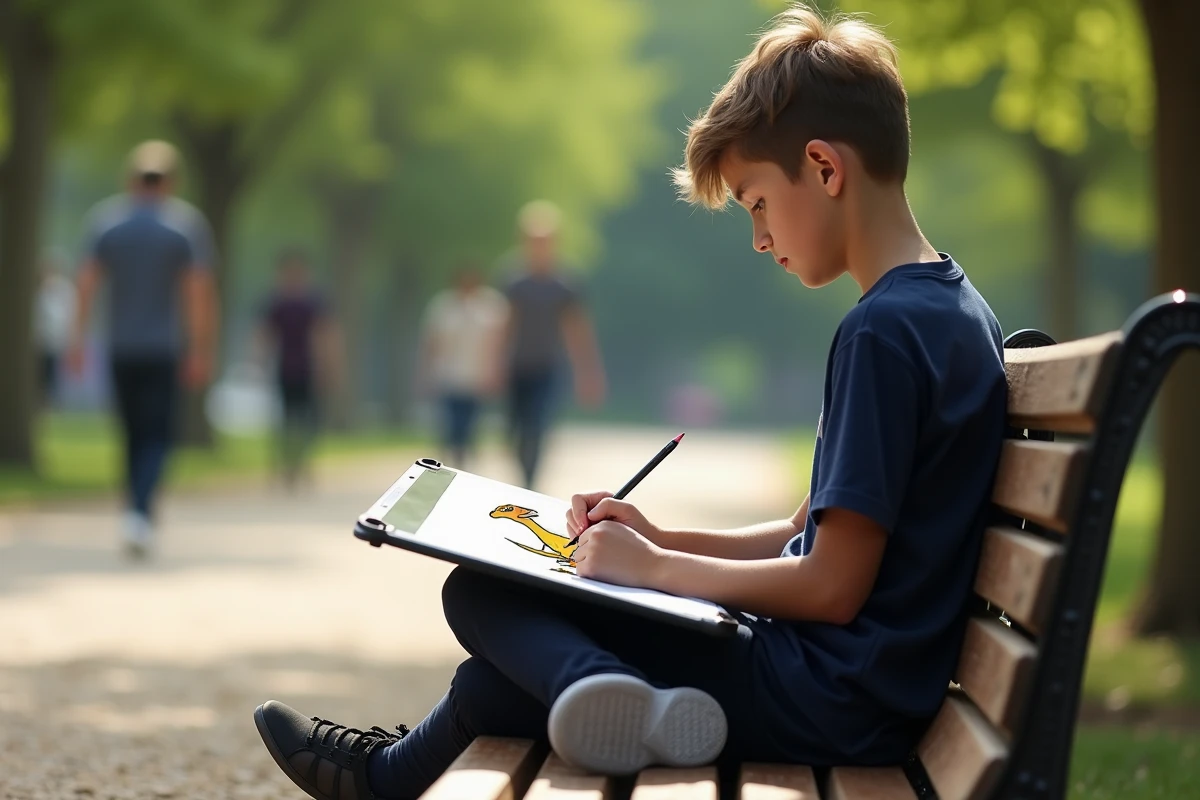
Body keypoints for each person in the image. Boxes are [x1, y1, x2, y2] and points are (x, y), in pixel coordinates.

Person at [251, 6, 1008, 798]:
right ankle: (403, 772)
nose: (758, 238)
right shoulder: (949, 310)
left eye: (755, 202)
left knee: (481, 591)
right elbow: (803, 531)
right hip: (849, 683)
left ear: (823, 167)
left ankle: (586, 685)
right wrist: (657, 535)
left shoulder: (883, 332)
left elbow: (830, 583)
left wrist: (659, 571)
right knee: (495, 687)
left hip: (827, 697)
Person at [68, 140, 218, 558]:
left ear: (130, 178)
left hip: (121, 346)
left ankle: (135, 510)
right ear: (171, 182)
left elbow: (86, 285)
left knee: (131, 432)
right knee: (157, 434)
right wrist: (200, 348)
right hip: (163, 349)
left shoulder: (107, 223)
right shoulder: (184, 227)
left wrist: (76, 339)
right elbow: (197, 293)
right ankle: (139, 510)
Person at [497, 200, 606, 488]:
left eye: (545, 240)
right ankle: (523, 469)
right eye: (534, 240)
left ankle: (529, 482)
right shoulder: (513, 280)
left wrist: (588, 373)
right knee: (514, 431)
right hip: (516, 367)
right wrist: (493, 365)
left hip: (547, 368)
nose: (539, 246)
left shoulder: (566, 284)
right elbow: (504, 325)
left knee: (538, 426)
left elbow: (577, 331)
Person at [254, 248, 338, 490]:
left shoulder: (314, 302)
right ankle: (283, 465)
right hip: (284, 369)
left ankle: (302, 463)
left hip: (310, 370)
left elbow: (326, 334)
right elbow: (264, 334)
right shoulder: (276, 302)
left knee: (309, 422)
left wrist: (329, 367)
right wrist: (258, 361)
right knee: (284, 421)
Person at [416, 265, 509, 469]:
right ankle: (451, 458)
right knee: (450, 424)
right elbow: (431, 342)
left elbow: (498, 344)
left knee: (470, 426)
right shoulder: (442, 306)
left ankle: (464, 461)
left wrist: (496, 373)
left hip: (476, 379)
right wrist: (426, 374)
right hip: (448, 376)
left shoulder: (491, 307)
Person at [33, 250, 77, 407]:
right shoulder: (37, 290)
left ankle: (52, 404)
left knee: (52, 375)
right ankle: (42, 403)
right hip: (39, 342)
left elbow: (67, 315)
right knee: (40, 375)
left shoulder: (64, 289)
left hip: (55, 340)